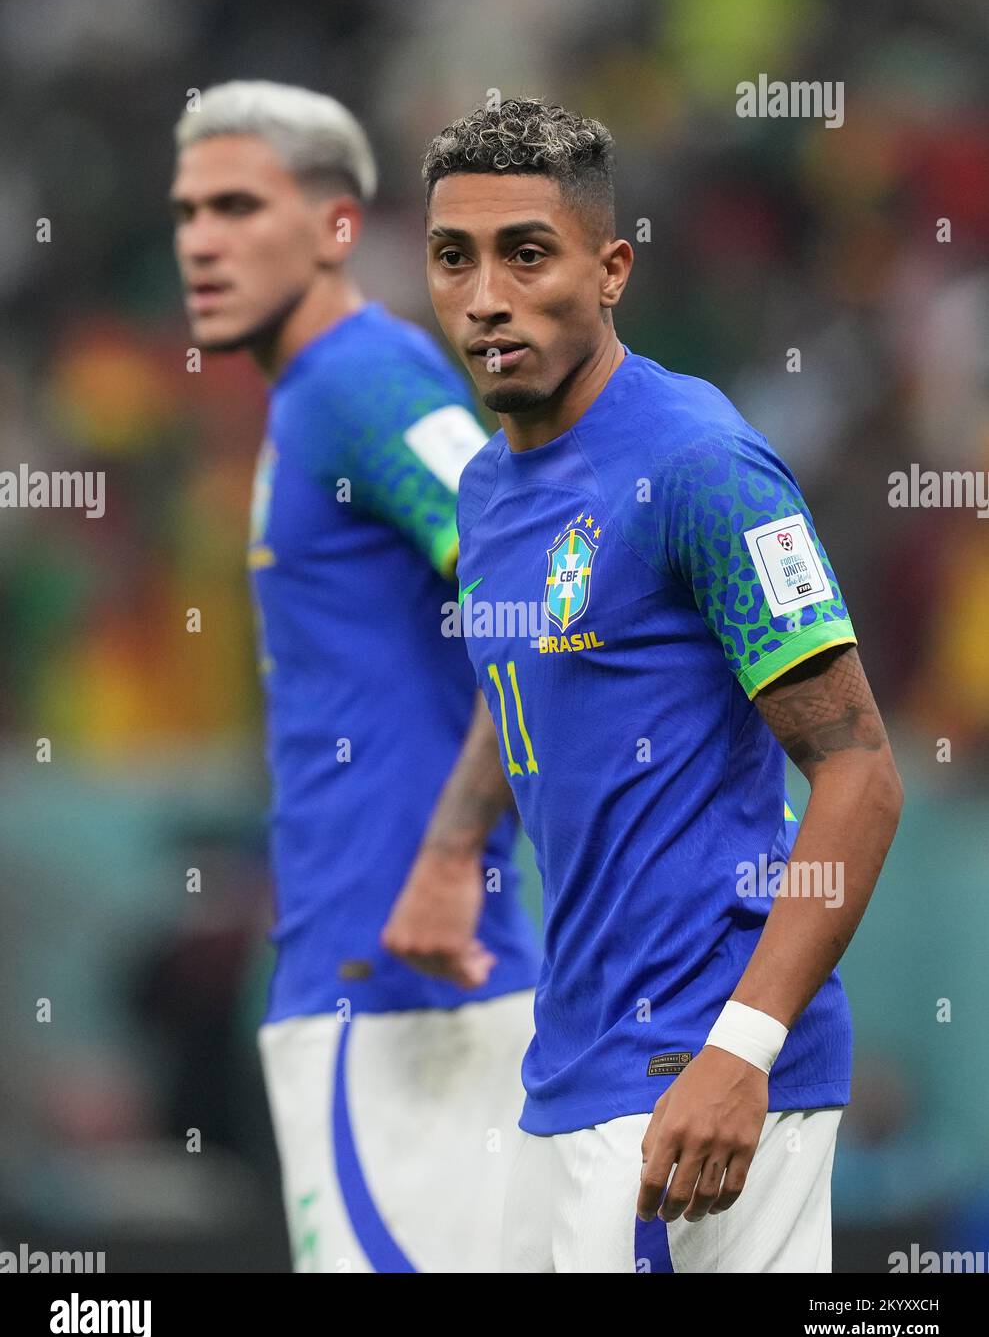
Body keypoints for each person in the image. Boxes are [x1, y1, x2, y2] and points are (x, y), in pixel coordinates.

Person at [413, 96, 903, 1273]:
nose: (485, 296)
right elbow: (524, 682)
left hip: (699, 1078)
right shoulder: (486, 489)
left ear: (611, 266)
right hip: (567, 1072)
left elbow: (859, 771)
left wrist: (742, 1046)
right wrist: (445, 850)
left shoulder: (699, 464)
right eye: (452, 257)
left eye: (526, 253)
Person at [170, 81, 539, 1273]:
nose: (202, 240)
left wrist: (444, 860)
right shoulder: (310, 399)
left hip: (401, 979)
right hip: (369, 969)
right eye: (187, 212)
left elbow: (534, 600)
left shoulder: (362, 381)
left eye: (238, 205)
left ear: (334, 226)